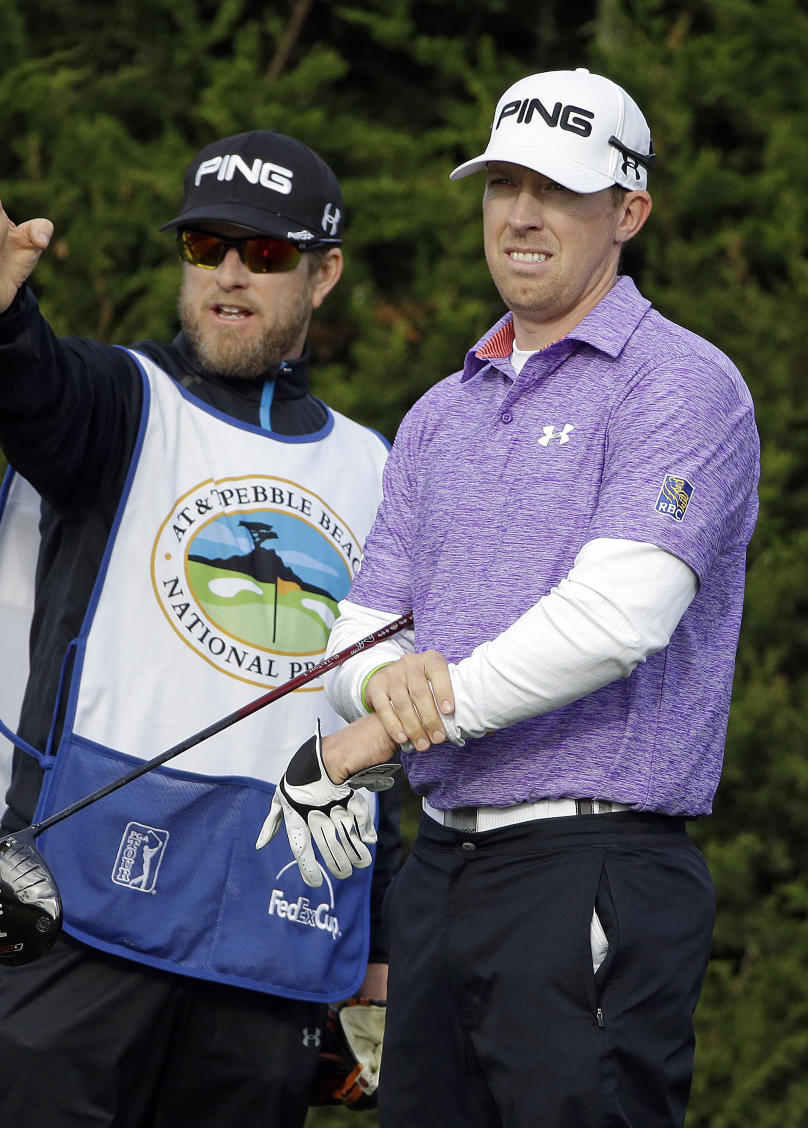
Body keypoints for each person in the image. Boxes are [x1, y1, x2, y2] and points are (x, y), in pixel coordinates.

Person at [258, 69, 760, 1127]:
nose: (522, 216)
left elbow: (618, 619)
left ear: (629, 212)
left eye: (559, 191)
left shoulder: (684, 384)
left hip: (591, 867)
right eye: (503, 186)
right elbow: (363, 627)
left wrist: (384, 728)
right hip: (441, 868)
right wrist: (381, 690)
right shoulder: (443, 410)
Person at [0, 129, 399, 1127]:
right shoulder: (120, 401)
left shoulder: (379, 469)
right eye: (206, 247)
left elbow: (387, 721)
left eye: (265, 254)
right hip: (77, 917)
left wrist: (381, 947)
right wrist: (1, 314)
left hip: (270, 943)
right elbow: (31, 390)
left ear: (324, 274)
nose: (230, 273)